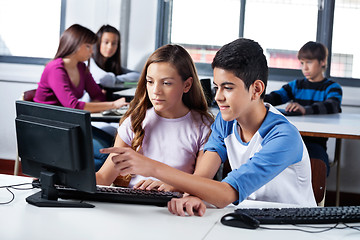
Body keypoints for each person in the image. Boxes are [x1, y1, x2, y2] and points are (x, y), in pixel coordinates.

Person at [100, 38, 317, 217]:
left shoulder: (283, 137)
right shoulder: (225, 122)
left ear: (256, 89)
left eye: (228, 87)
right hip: (249, 218)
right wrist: (192, 194)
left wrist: (151, 167)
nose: (219, 97)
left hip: (293, 225)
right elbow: (201, 179)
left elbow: (225, 194)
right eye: (216, 87)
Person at [96, 44, 214, 189]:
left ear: (187, 85)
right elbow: (103, 178)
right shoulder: (135, 121)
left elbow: (202, 184)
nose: (156, 91)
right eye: (150, 82)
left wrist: (171, 186)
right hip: (132, 205)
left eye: (166, 83)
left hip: (174, 207)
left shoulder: (203, 126)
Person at [33, 24, 128, 171]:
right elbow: (73, 105)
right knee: (107, 156)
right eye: (88, 46)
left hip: (71, 123)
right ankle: (70, 180)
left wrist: (101, 104)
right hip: (51, 127)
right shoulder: (55, 68)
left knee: (113, 146)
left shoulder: (81, 68)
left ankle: (76, 179)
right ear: (75, 45)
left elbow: (97, 95)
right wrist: (113, 105)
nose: (92, 51)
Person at [264, 41, 343, 176]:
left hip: (315, 144)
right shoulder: (296, 85)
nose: (305, 68)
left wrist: (305, 109)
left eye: (309, 62)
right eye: (302, 63)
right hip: (291, 140)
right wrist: (254, 97)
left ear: (322, 62)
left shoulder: (332, 87)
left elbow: (332, 105)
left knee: (317, 169)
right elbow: (275, 97)